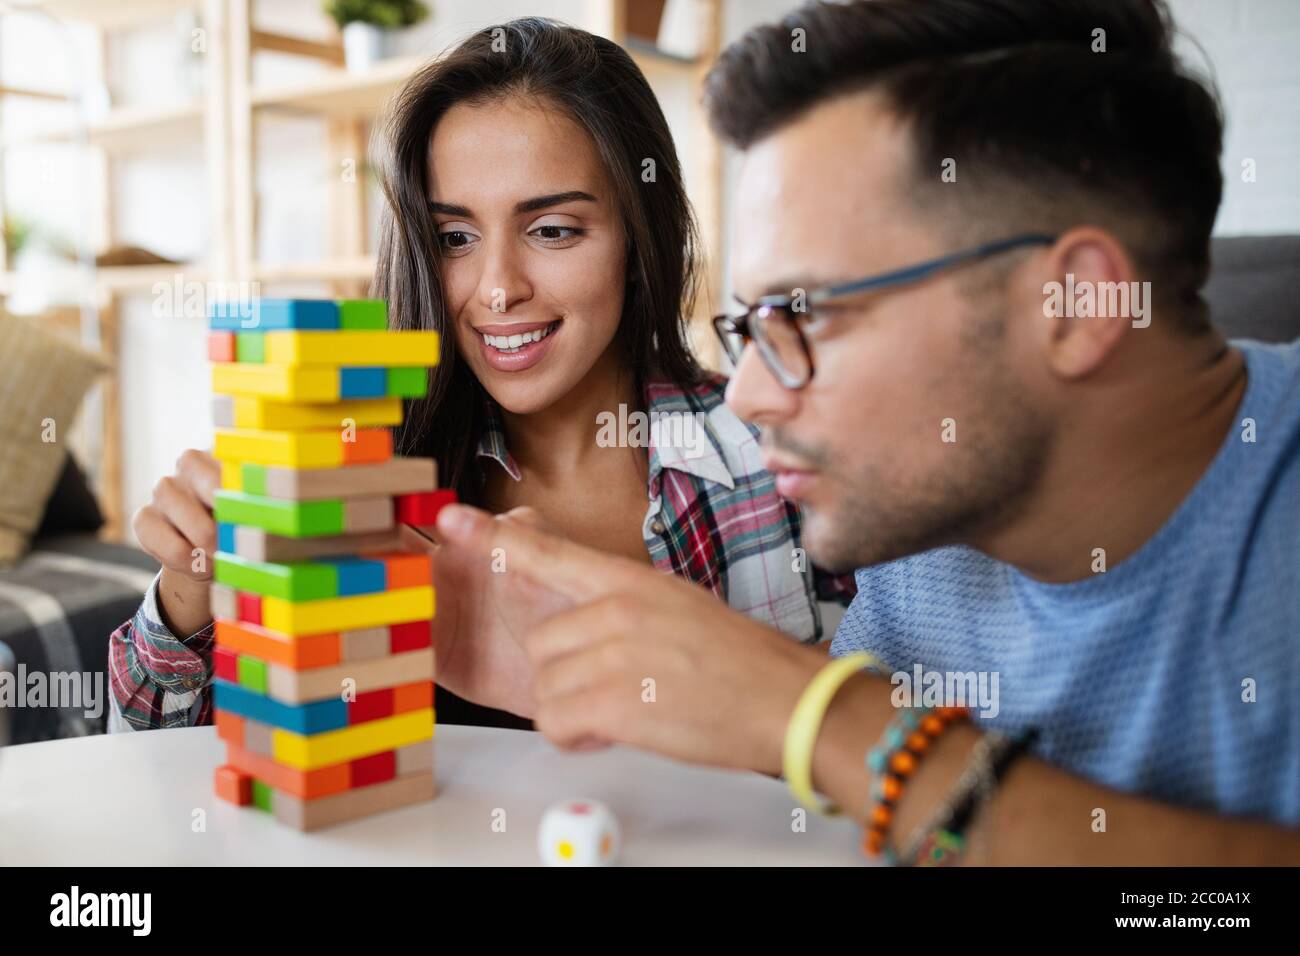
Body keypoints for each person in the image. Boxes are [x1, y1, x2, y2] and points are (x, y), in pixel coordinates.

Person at [428, 0, 1300, 864]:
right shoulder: (923, 547)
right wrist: (646, 694)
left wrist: (811, 712)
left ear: (1072, 304)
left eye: (805, 314)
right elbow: (876, 825)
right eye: (752, 327)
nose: (751, 395)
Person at [108, 18, 850, 733]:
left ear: (639, 233)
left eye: (553, 230)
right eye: (454, 237)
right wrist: (189, 594)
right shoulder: (361, 464)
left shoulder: (777, 453)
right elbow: (149, 761)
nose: (497, 288)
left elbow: (908, 755)